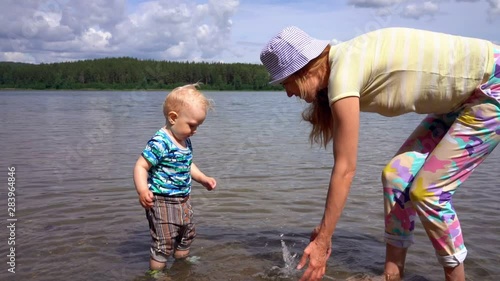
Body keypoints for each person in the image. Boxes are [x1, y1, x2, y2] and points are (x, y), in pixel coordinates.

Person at [260, 26, 500, 281]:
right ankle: (392, 275)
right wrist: (324, 230)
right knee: (396, 176)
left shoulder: (343, 74)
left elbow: (345, 168)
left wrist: (323, 240)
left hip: (491, 83)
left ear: (304, 69)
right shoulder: (343, 64)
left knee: (429, 193)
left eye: (285, 82)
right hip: (459, 100)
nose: (287, 93)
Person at [133, 83, 217, 272]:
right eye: (192, 125)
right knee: (164, 241)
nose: (195, 130)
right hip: (161, 200)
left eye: (198, 126)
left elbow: (187, 164)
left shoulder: (184, 140)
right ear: (173, 118)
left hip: (183, 199)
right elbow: (141, 166)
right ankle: (156, 273)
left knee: (187, 233)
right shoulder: (160, 141)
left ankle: (181, 263)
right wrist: (142, 190)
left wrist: (202, 178)